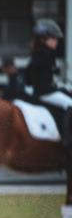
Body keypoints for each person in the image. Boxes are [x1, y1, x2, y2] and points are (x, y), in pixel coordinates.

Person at [25, 18, 72, 151]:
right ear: (44, 38)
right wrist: (54, 87)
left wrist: (59, 85)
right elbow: (33, 73)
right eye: (54, 38)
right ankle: (67, 137)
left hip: (45, 90)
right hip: (44, 92)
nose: (56, 41)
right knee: (70, 104)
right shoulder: (43, 54)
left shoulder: (44, 52)